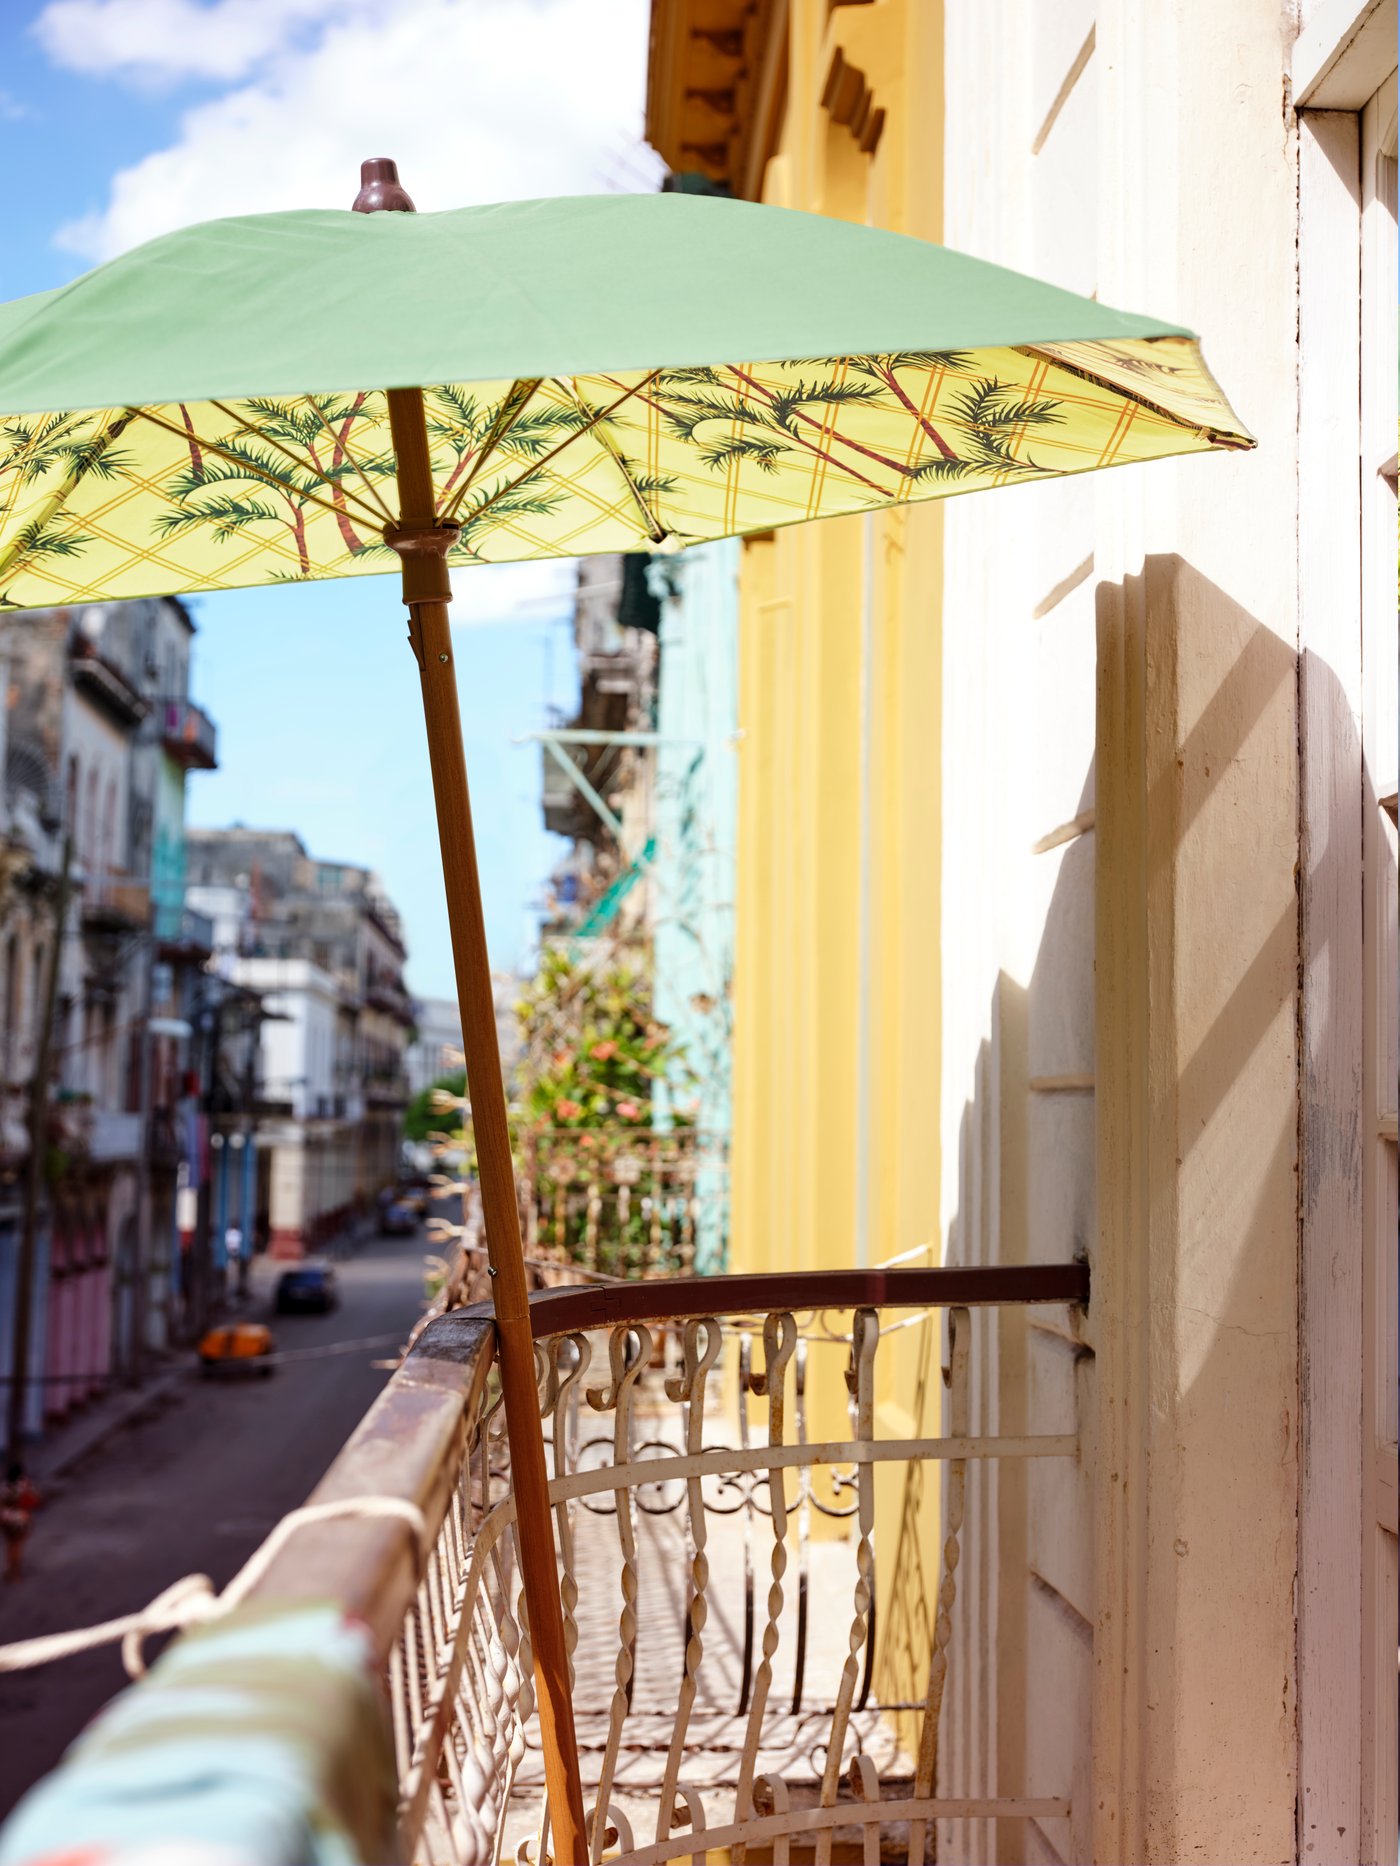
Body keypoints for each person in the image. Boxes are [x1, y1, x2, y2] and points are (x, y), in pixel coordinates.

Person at [1, 1459, 39, 1582]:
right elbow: (35, 1499)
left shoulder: (3, 1486)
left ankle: (10, 1569)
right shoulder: (23, 1485)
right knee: (17, 1547)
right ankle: (15, 1573)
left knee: (10, 1545)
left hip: (6, 1519)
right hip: (20, 1519)